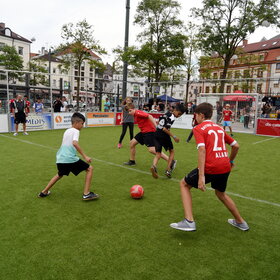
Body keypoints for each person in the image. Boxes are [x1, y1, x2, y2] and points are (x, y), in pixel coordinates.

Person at [170, 102, 249, 232]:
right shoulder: (219, 128)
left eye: (195, 115)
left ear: (201, 115)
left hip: (211, 167)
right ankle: (241, 222)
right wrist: (230, 161)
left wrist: (201, 176)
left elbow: (202, 150)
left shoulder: (199, 128)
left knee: (184, 184)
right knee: (221, 194)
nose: (194, 118)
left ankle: (189, 221)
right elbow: (236, 146)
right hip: (224, 166)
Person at [38, 112, 99, 201]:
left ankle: (44, 192)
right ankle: (86, 194)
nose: (82, 126)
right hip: (69, 158)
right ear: (77, 123)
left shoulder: (67, 130)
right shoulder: (76, 131)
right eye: (82, 123)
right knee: (90, 169)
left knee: (60, 174)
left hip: (60, 158)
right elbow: (75, 143)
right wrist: (85, 156)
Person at [123, 103, 174, 169]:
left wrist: (156, 126)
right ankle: (132, 161)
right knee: (132, 143)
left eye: (130, 111)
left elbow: (149, 116)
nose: (129, 113)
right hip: (143, 132)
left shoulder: (138, 112)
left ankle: (170, 161)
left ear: (133, 109)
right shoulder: (136, 114)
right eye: (128, 112)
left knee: (151, 150)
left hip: (149, 132)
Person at [151, 104, 185, 179]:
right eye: (179, 113)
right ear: (175, 110)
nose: (179, 116)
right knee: (172, 151)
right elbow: (165, 129)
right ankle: (168, 170)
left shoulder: (166, 114)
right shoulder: (171, 117)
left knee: (158, 153)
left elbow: (159, 122)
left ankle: (154, 166)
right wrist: (174, 137)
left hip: (156, 134)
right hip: (163, 135)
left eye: (180, 115)